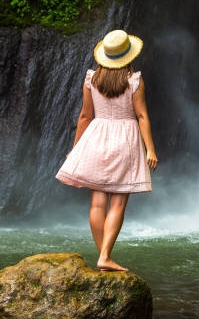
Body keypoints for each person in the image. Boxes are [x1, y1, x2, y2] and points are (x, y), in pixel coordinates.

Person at [55, 29, 158, 272]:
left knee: (97, 204)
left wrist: (75, 148)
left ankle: (103, 257)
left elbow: (84, 116)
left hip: (97, 138)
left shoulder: (91, 79)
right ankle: (105, 257)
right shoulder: (134, 80)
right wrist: (150, 150)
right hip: (126, 140)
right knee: (118, 204)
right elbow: (142, 116)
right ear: (128, 56)